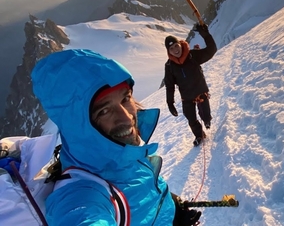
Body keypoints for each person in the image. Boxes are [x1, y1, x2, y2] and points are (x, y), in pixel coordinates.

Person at [31, 49, 201, 226]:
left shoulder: (121, 151)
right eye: (104, 111)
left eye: (125, 98)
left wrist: (170, 206)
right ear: (78, 126)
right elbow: (82, 217)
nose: (127, 118)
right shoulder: (81, 197)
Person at [163, 23, 217, 146]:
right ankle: (199, 135)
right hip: (186, 95)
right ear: (168, 51)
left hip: (199, 90)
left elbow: (211, 50)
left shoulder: (192, 55)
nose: (175, 50)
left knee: (204, 113)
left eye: (176, 46)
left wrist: (205, 34)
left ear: (180, 44)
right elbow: (169, 85)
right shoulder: (169, 66)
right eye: (171, 49)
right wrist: (170, 102)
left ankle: (207, 120)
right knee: (190, 117)